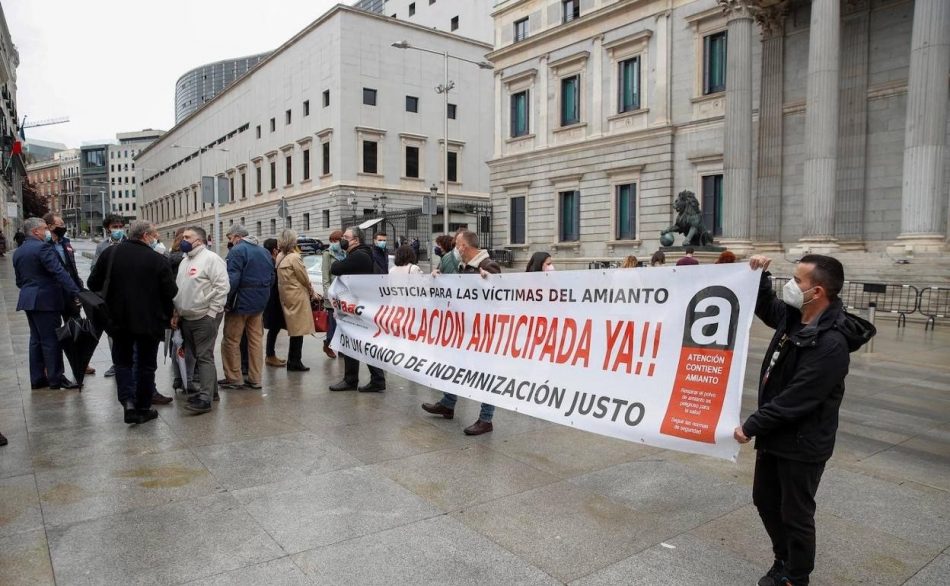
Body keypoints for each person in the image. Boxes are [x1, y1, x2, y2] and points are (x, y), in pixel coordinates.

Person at [736, 254, 875, 586]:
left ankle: (796, 577)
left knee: (796, 514)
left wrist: (751, 426)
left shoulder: (832, 343)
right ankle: (782, 559)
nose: (792, 285)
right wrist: (760, 275)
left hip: (803, 442)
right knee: (765, 500)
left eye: (798, 281)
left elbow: (797, 399)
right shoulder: (795, 316)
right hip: (776, 436)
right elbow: (766, 306)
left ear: (819, 292)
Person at [88, 221, 177, 425]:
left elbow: (93, 283)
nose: (156, 238)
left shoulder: (110, 254)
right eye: (154, 234)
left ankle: (128, 403)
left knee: (123, 362)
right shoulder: (157, 260)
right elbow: (171, 291)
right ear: (145, 236)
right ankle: (143, 407)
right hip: (149, 321)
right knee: (146, 365)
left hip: (117, 319)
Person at [422, 230, 501, 435]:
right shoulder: (463, 267)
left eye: (458, 244)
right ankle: (448, 404)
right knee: (454, 366)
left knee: (486, 374)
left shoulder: (487, 266)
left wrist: (491, 283)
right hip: (463, 331)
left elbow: (499, 298)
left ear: (464, 247)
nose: (456, 248)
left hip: (482, 334)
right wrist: (437, 280)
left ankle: (486, 419)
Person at [13, 217, 82, 390]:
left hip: (28, 299)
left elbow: (19, 281)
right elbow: (59, 272)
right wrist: (76, 292)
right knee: (51, 340)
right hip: (46, 300)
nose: (47, 232)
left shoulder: (19, 251)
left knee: (36, 340)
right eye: (44, 229)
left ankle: (37, 378)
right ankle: (56, 378)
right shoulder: (43, 247)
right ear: (36, 231)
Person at [172, 226, 229, 415]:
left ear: (200, 240)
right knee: (199, 355)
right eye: (182, 237)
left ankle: (205, 398)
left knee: (204, 356)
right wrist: (177, 313)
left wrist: (212, 313)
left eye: (188, 237)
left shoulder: (211, 259)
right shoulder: (184, 261)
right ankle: (211, 392)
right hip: (187, 317)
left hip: (204, 316)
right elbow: (180, 289)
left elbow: (222, 288)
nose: (183, 240)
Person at [328, 226, 386, 391]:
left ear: (355, 240)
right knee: (354, 342)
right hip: (357, 306)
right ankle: (363, 379)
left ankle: (365, 379)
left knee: (360, 342)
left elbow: (335, 268)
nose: (342, 239)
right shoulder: (360, 253)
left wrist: (339, 259)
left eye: (346, 236)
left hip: (360, 307)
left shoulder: (359, 255)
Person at [219, 225, 273, 390]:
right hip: (259, 303)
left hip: (240, 303)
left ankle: (234, 378)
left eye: (230, 238)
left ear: (236, 237)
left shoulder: (237, 251)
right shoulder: (264, 251)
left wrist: (226, 301)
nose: (230, 242)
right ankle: (255, 378)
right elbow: (272, 277)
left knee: (231, 340)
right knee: (256, 341)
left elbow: (232, 279)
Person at [43, 213, 95, 376]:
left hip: (70, 291)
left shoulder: (66, 242)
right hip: (52, 293)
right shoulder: (44, 245)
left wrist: (78, 287)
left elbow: (71, 267)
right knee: (52, 332)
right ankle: (49, 366)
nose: (63, 226)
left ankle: (82, 362)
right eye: (60, 223)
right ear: (50, 226)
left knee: (76, 327)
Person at [275, 229, 317, 372]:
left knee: (295, 330)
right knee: (298, 330)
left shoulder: (280, 256)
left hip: (286, 295)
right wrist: (311, 290)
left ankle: (294, 360)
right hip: (297, 296)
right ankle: (295, 361)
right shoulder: (294, 257)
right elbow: (303, 277)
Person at [93, 214, 127, 378]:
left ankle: (128, 361)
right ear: (108, 228)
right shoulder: (102, 247)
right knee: (112, 331)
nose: (118, 229)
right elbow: (95, 268)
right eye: (115, 227)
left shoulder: (129, 244)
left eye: (121, 226)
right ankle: (116, 363)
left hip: (127, 294)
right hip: (109, 296)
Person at [262, 238, 287, 366]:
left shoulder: (269, 260)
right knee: (274, 328)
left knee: (274, 329)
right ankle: (270, 356)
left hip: (271, 300)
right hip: (272, 301)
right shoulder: (271, 262)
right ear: (274, 250)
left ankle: (270, 355)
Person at [321, 230, 346, 359]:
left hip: (344, 295)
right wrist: (328, 295)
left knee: (343, 322)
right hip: (332, 294)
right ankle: (328, 343)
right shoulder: (327, 254)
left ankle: (341, 347)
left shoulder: (345, 254)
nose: (335, 243)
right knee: (333, 323)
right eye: (333, 241)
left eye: (337, 241)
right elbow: (325, 277)